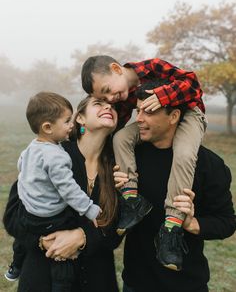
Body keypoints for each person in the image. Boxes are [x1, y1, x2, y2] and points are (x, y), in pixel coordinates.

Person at [81, 55, 207, 270]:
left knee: (184, 154)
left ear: (116, 68)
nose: (111, 98)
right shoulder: (121, 100)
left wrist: (164, 96)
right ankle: (132, 201)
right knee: (122, 139)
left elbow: (193, 85)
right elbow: (113, 131)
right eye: (104, 97)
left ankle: (171, 226)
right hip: (154, 122)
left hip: (189, 114)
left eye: (107, 89)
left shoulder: (151, 67)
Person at [114, 81, 236, 292]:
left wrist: (192, 223)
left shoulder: (209, 165)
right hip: (136, 283)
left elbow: (226, 222)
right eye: (138, 110)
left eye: (149, 112)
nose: (139, 119)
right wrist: (117, 195)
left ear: (174, 116)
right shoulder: (130, 159)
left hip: (187, 284)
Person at [3, 95, 122, 292]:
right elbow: (12, 217)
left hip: (97, 279)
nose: (108, 107)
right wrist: (41, 241)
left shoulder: (120, 165)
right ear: (80, 118)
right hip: (43, 276)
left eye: (112, 106)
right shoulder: (51, 154)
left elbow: (120, 225)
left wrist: (84, 237)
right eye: (98, 103)